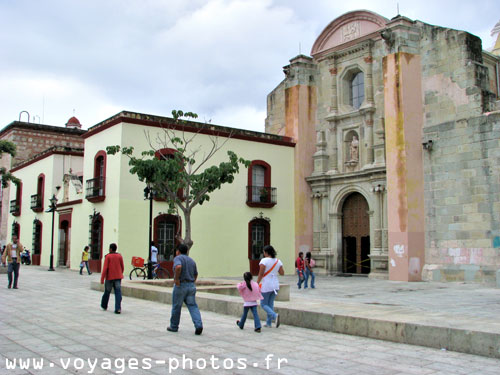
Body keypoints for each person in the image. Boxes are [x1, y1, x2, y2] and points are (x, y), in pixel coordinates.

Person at [167, 244, 203, 335]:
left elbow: (178, 267)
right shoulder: (192, 260)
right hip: (191, 285)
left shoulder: (178, 258)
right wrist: (192, 282)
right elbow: (195, 274)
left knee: (176, 306)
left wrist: (176, 279)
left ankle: (174, 326)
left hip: (181, 285)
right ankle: (198, 325)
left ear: (178, 251)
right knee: (193, 306)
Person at [256, 245, 284, 328]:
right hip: (275, 284)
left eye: (264, 252)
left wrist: (257, 282)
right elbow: (282, 273)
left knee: (263, 304)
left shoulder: (264, 261)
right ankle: (268, 323)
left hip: (266, 284)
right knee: (270, 303)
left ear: (266, 252)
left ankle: (274, 316)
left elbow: (261, 273)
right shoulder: (278, 261)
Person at [100, 243, 124, 314]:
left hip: (109, 277)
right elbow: (122, 267)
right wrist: (120, 273)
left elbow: (105, 268)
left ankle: (104, 305)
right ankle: (118, 308)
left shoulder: (108, 257)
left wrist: (102, 278)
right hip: (118, 277)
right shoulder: (119, 256)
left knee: (107, 292)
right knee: (118, 292)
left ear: (110, 249)